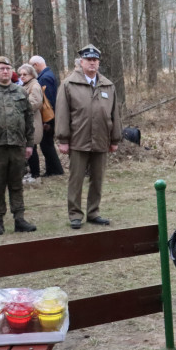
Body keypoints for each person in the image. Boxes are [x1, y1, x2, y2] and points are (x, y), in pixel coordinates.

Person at [55, 44, 122, 230]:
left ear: (98, 63)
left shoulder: (108, 85)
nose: (92, 63)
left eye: (95, 60)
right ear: (81, 62)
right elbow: (62, 114)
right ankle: (75, 215)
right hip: (78, 139)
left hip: (101, 139)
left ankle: (94, 212)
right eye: (88, 60)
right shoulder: (69, 84)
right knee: (76, 179)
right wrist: (63, 139)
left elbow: (114, 113)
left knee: (98, 179)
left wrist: (115, 139)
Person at [0, 56, 37, 235]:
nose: (5, 71)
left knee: (17, 184)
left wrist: (30, 144)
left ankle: (19, 219)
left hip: (17, 146)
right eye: (1, 68)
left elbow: (29, 119)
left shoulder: (20, 92)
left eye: (8, 68)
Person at [29, 55, 63, 177]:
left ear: (36, 65)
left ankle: (55, 170)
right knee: (46, 144)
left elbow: (47, 101)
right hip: (50, 117)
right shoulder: (47, 75)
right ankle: (52, 169)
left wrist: (47, 121)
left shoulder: (45, 78)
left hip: (49, 117)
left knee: (47, 145)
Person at [17, 63, 44, 183]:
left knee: (31, 148)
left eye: (25, 74)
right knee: (27, 148)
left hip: (33, 122)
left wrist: (19, 106)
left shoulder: (34, 85)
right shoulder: (25, 85)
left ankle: (35, 174)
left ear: (32, 74)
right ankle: (31, 172)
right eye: (20, 74)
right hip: (27, 122)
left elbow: (36, 102)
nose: (22, 76)